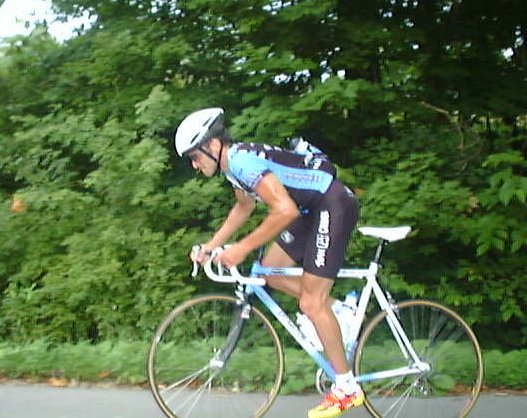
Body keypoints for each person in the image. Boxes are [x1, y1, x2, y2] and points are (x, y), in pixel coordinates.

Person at [174, 107, 364, 418]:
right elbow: (243, 208)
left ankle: (346, 387)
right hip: (309, 210)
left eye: (194, 157)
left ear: (212, 144)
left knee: (311, 303)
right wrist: (211, 246)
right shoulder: (231, 166)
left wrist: (242, 248)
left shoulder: (242, 161)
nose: (194, 165)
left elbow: (284, 210)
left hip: (331, 204)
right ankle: (341, 310)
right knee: (271, 272)